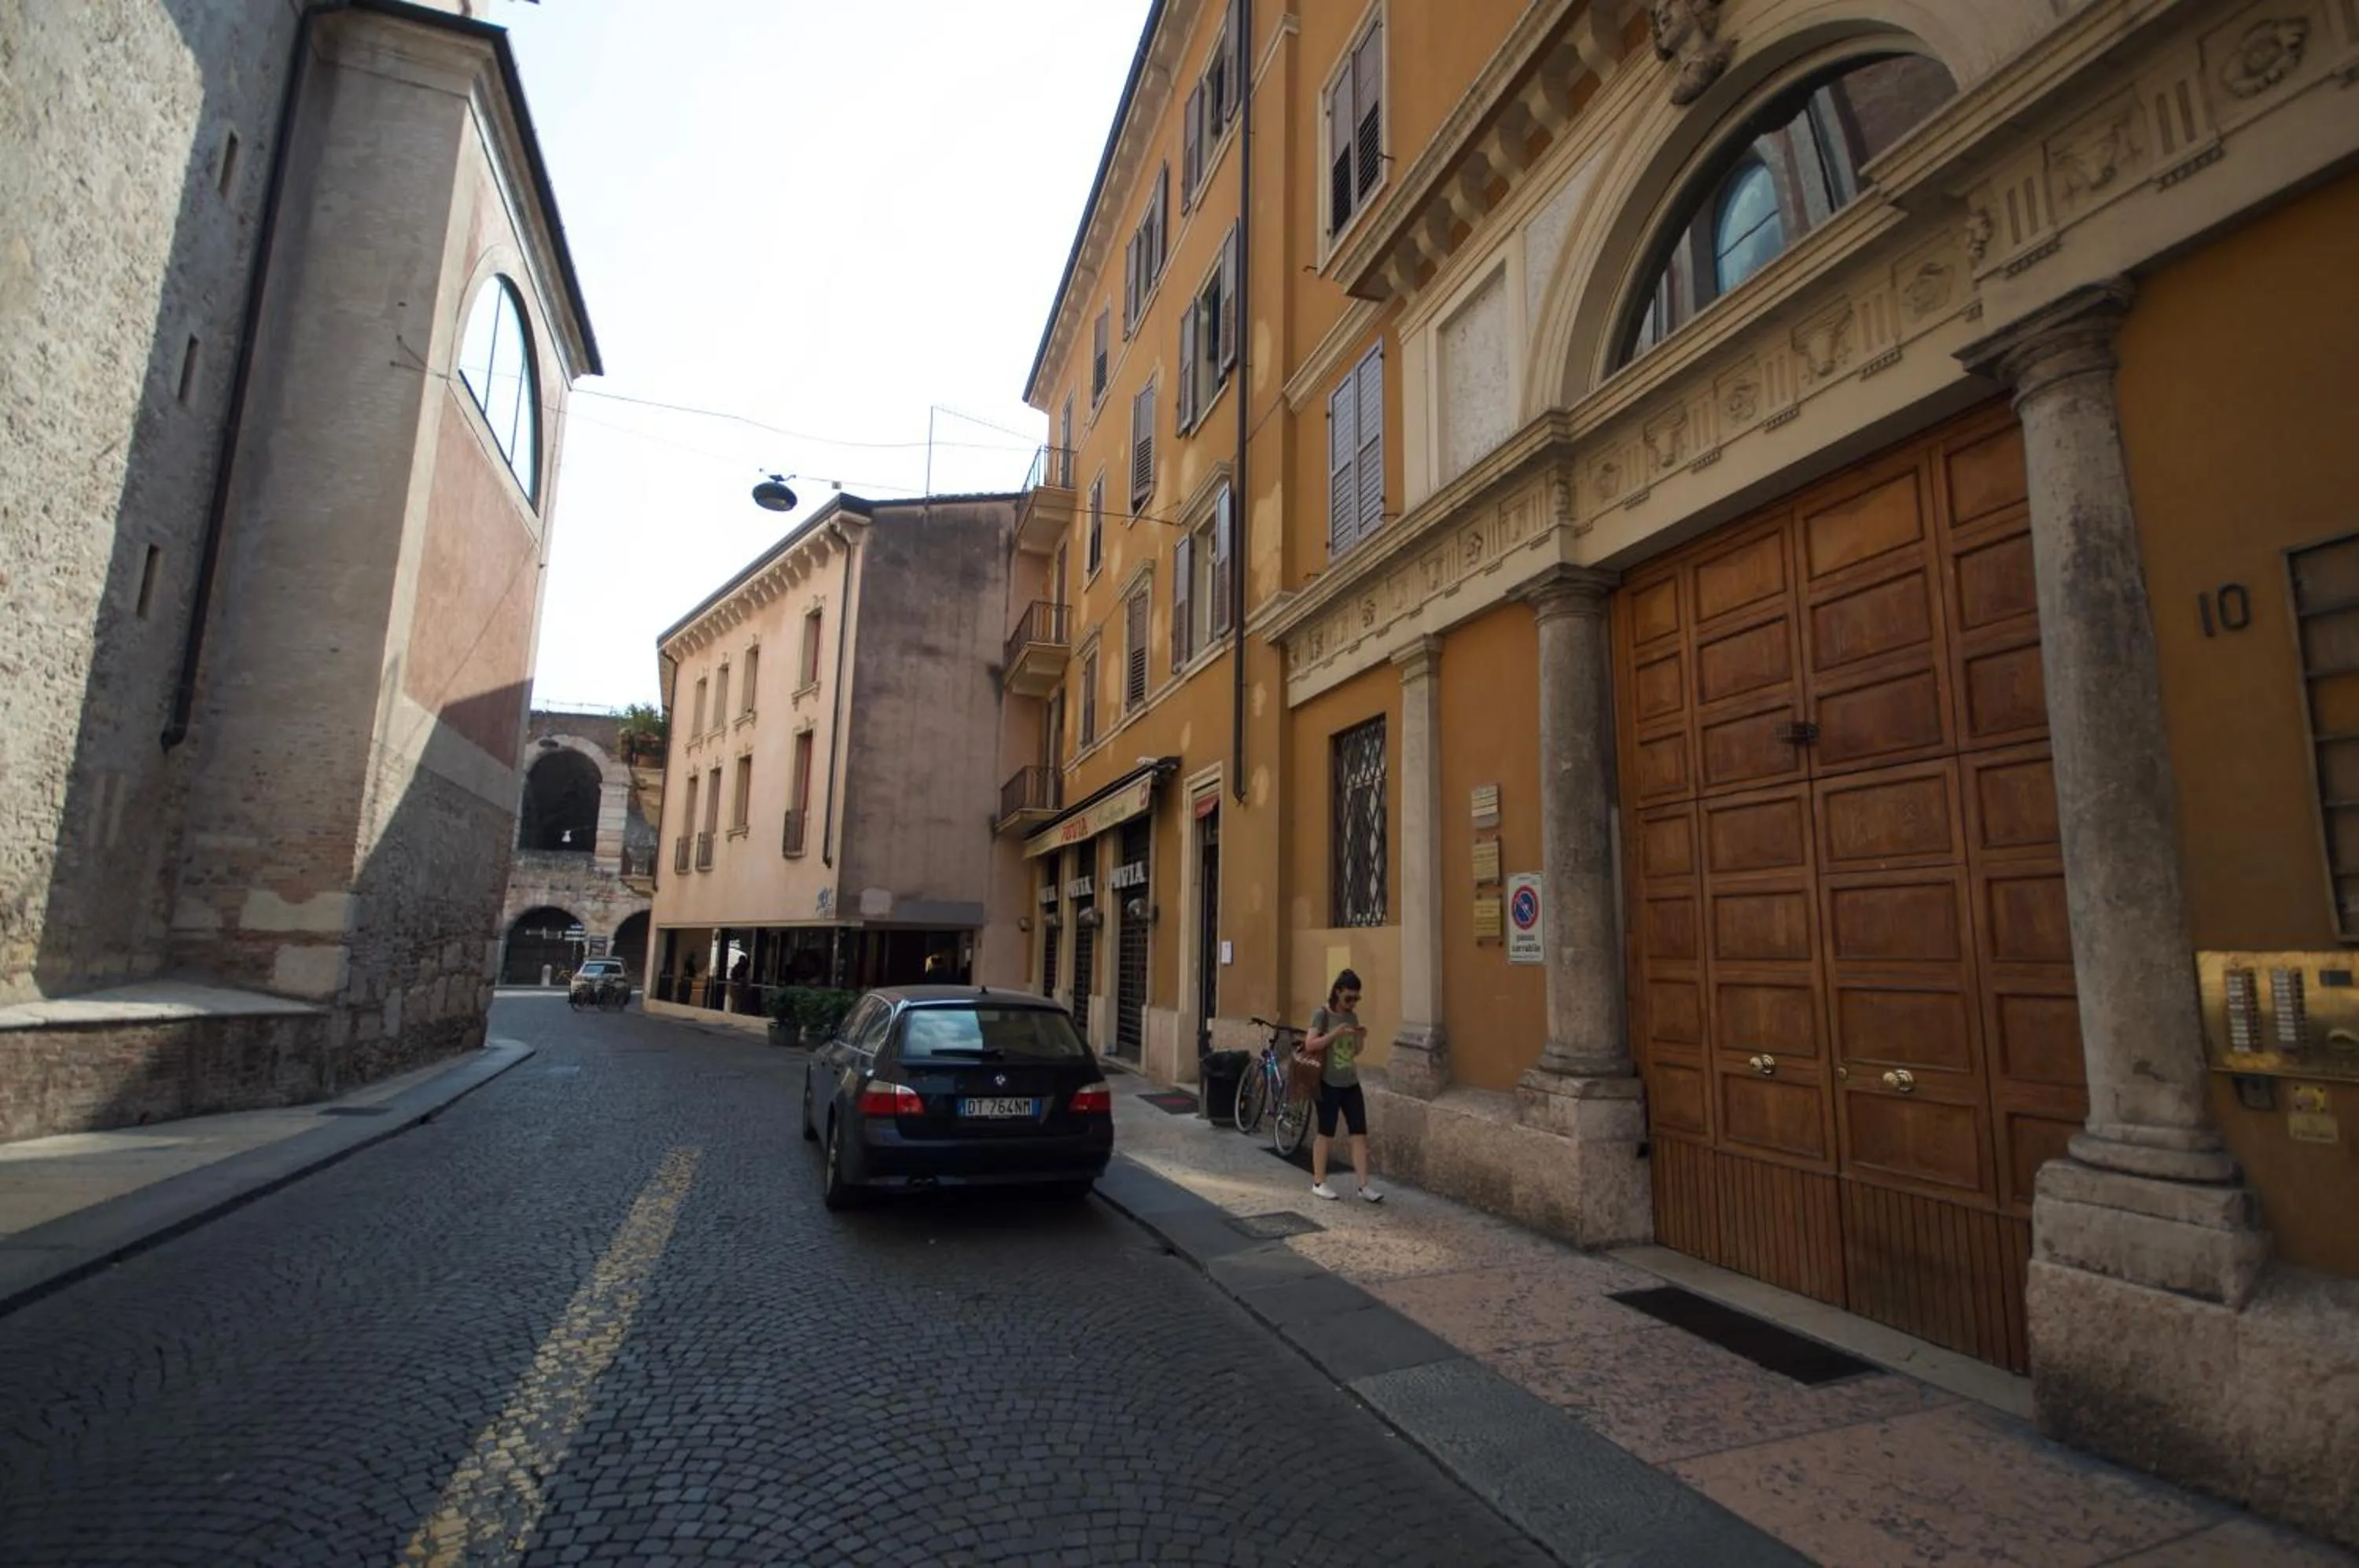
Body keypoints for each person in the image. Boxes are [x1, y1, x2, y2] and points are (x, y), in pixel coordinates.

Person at [1302, 968, 1382, 1203]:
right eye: (1348, 998)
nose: (1352, 1003)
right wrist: (1335, 1033)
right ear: (1337, 992)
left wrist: (1360, 1038)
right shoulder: (1322, 1015)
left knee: (1359, 1133)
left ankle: (1364, 1186)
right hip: (1328, 1083)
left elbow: (1355, 1052)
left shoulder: (1352, 1017)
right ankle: (1319, 1182)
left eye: (1356, 999)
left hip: (1350, 1081)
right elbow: (1311, 1044)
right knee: (1326, 1132)